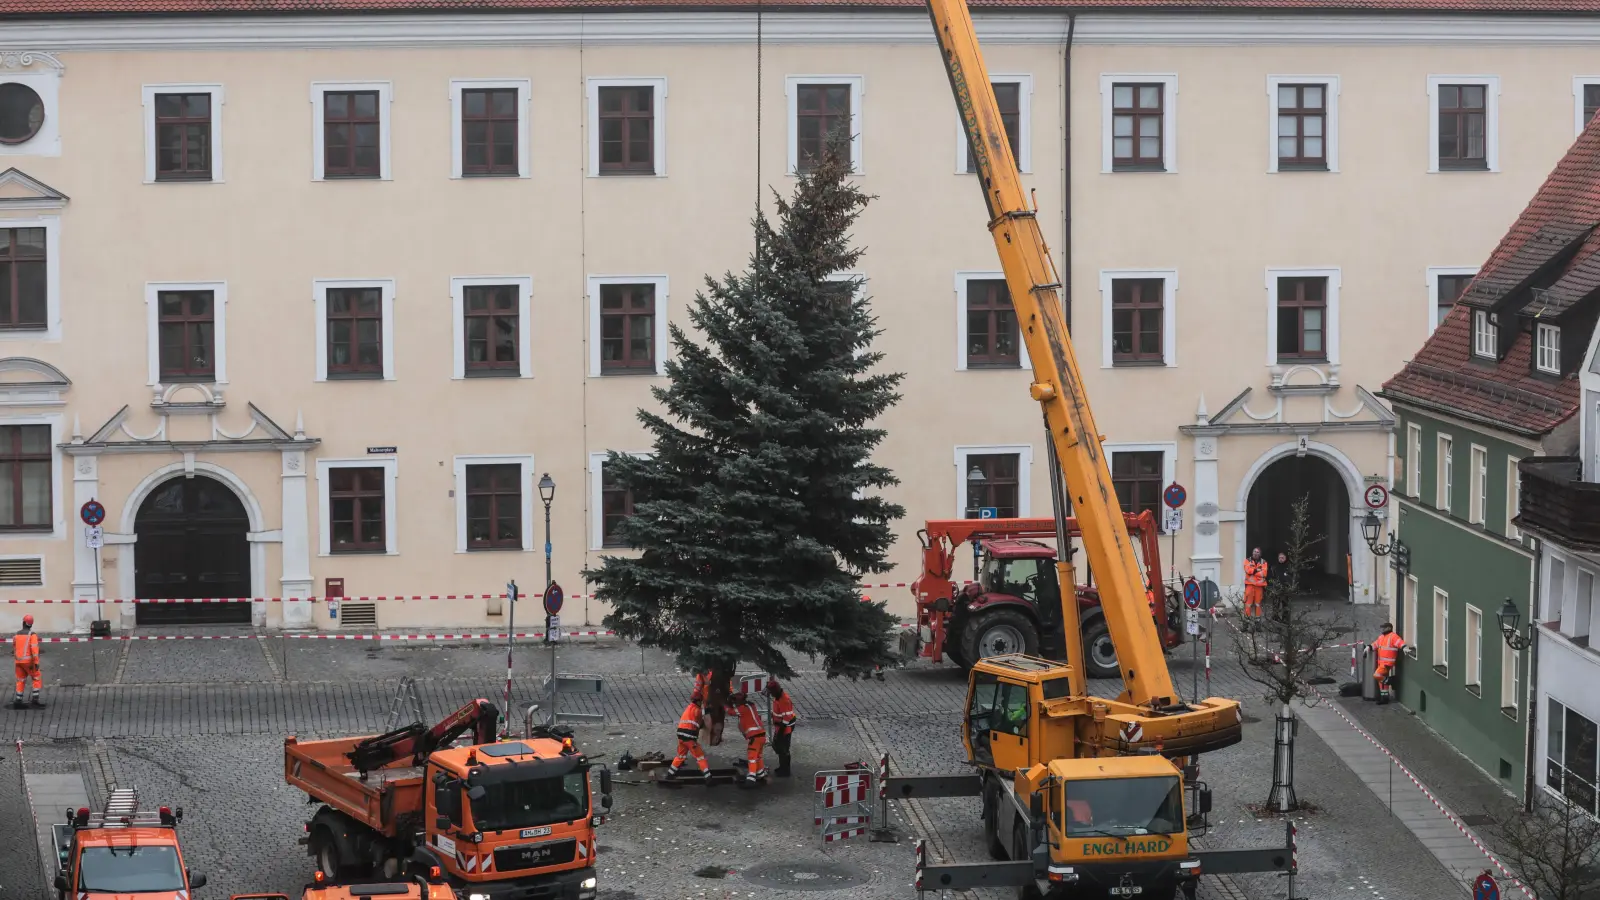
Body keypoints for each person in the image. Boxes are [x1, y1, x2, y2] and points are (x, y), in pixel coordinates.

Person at [666, 688, 713, 780]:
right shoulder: (697, 710)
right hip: (690, 737)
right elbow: (701, 722)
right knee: (700, 757)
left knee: (680, 756)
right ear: (699, 701)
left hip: (681, 736)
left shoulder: (689, 707)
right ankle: (708, 778)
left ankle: (670, 774)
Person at [727, 690, 768, 784]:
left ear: (739, 701)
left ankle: (751, 778)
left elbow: (730, 711)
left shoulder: (741, 709)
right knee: (758, 756)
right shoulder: (751, 705)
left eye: (735, 702)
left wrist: (724, 704)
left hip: (754, 737)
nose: (735, 703)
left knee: (752, 757)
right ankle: (761, 774)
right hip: (761, 735)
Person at [766, 679, 798, 777]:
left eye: (771, 692)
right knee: (779, 747)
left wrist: (780, 733)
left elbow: (787, 719)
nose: (770, 694)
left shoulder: (784, 700)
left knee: (784, 749)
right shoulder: (778, 697)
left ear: (775, 691)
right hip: (780, 727)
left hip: (785, 728)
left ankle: (785, 770)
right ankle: (782, 767)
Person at [1371, 622, 1407, 705]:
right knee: (1382, 683)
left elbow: (1400, 642)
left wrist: (1404, 647)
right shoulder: (1381, 637)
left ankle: (1391, 680)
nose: (1382, 629)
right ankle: (1384, 698)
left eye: (1383, 628)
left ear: (1388, 628)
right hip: (1382, 663)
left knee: (1377, 675)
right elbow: (1375, 644)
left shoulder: (1393, 636)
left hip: (1387, 663)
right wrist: (1369, 647)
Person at [12, 614, 41, 709]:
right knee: (36, 677)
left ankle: (18, 700)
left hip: (18, 662)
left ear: (23, 622)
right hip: (29, 662)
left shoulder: (17, 634)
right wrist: (36, 663)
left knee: (20, 680)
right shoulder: (32, 635)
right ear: (31, 625)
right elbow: (34, 650)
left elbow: (14, 646)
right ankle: (35, 700)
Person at [1242, 548, 1268, 623]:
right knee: (1247, 604)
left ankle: (1258, 623)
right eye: (1254, 551)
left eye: (1257, 552)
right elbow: (1247, 570)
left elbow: (1264, 573)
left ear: (1260, 554)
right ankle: (1246, 623)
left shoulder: (1264, 562)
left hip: (1259, 587)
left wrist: (1253, 571)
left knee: (1258, 605)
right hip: (1249, 586)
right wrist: (1257, 570)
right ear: (1252, 552)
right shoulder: (1247, 560)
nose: (1256, 553)